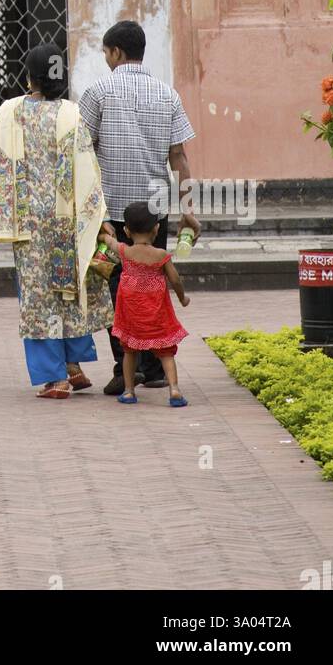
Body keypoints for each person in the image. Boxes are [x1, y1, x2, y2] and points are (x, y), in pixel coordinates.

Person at [0, 44, 113, 400]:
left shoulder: (10, 111)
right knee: (69, 288)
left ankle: (54, 377)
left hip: (28, 222)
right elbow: (87, 170)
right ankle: (74, 366)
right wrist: (100, 218)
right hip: (66, 219)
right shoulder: (71, 113)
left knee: (37, 297)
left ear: (29, 75)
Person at [78, 20, 198, 396]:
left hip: (112, 214)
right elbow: (178, 155)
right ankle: (154, 365)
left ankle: (125, 365)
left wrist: (87, 209)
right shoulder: (167, 94)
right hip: (154, 212)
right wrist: (189, 209)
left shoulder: (97, 91)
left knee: (117, 287)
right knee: (153, 285)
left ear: (115, 52)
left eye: (105, 52)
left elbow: (81, 150)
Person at [100, 202, 190, 407]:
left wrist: (103, 234)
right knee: (166, 352)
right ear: (156, 229)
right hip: (157, 315)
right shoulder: (161, 256)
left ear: (126, 230)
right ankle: (174, 389)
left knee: (130, 352)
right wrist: (182, 298)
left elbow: (108, 241)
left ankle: (130, 391)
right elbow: (175, 280)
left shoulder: (125, 252)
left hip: (131, 315)